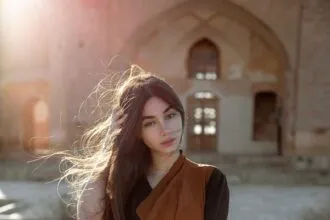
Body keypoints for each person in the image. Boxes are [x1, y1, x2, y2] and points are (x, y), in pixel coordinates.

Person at [62, 65, 229, 220]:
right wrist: (110, 143)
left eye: (170, 115)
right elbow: (87, 214)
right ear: (137, 132)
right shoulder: (123, 185)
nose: (165, 129)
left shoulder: (209, 180)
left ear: (181, 114)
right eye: (150, 123)